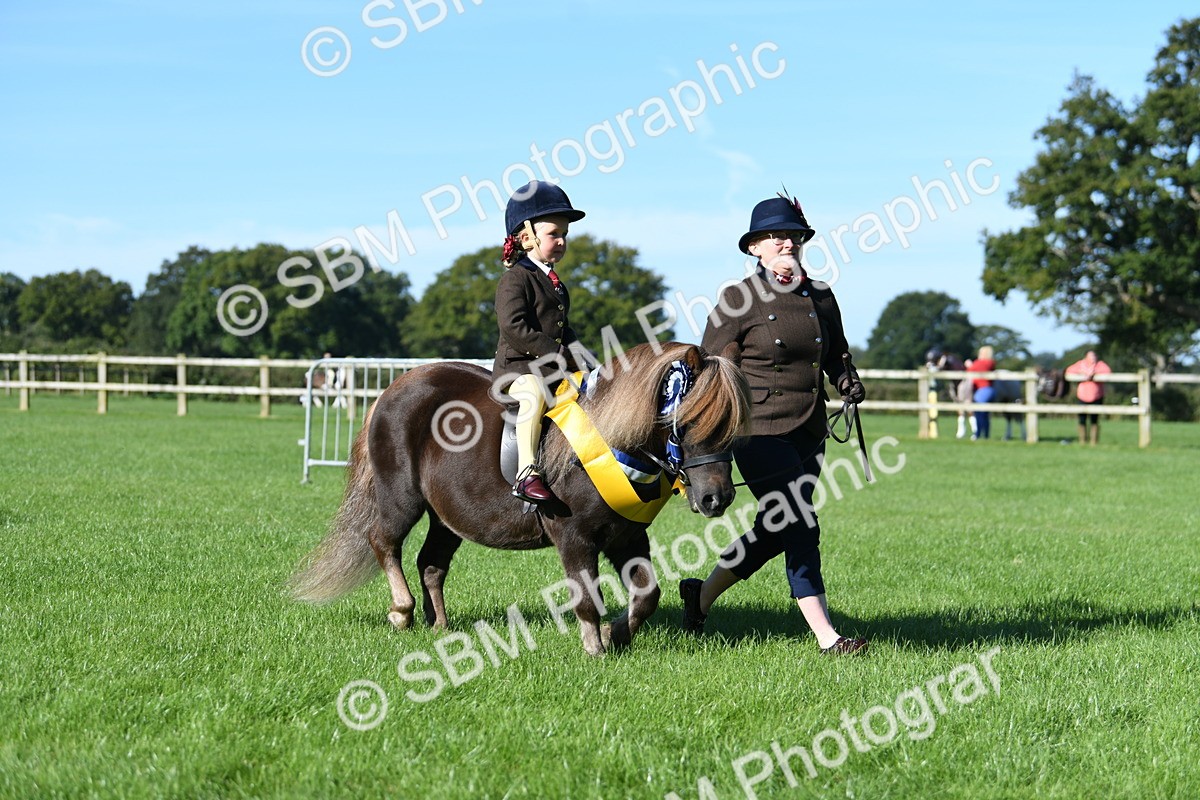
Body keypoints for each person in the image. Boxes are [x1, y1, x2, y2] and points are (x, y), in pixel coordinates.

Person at [679, 192, 869, 656]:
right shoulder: (737, 299)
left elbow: (836, 352)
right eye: (775, 235)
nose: (787, 241)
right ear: (754, 248)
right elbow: (710, 368)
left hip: (809, 430)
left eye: (793, 235)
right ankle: (829, 637)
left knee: (773, 527)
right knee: (800, 521)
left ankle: (699, 598)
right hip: (757, 430)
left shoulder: (820, 296)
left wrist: (847, 381)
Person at [494, 181, 595, 503]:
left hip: (552, 368)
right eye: (554, 234)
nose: (562, 241)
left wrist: (590, 363)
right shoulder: (516, 278)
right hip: (517, 372)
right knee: (534, 393)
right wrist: (560, 355)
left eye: (565, 234)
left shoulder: (555, 283)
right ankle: (526, 474)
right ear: (527, 238)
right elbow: (513, 327)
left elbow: (566, 331)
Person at [1065, 350, 1111, 445]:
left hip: (1097, 396)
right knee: (1082, 419)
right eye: (1091, 356)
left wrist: (1094, 373)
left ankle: (1093, 441)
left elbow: (1107, 371)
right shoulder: (1080, 364)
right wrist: (1081, 374)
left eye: (1094, 355)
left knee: (1094, 419)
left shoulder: (1099, 365)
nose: (1093, 358)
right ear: (1086, 357)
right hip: (1082, 396)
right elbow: (1069, 370)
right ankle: (1082, 441)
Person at [966, 345, 996, 440]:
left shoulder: (982, 363)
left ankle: (978, 434)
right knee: (985, 414)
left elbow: (970, 370)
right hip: (988, 390)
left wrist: (969, 365)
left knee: (979, 413)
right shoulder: (991, 363)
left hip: (983, 390)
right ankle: (986, 435)